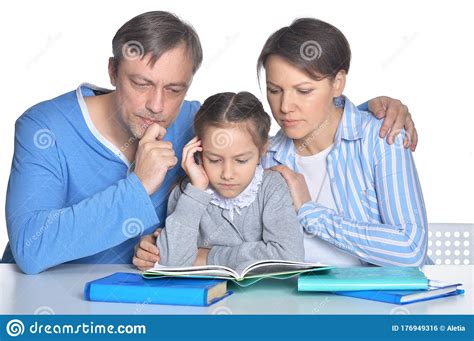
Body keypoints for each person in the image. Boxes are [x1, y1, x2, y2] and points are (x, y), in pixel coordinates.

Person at [2, 11, 417, 274]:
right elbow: (31, 250)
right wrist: (137, 186)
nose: (156, 106)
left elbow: (253, 132)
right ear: (112, 70)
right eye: (141, 83)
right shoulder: (46, 128)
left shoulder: (193, 122)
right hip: (52, 305)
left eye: (175, 88)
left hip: (164, 297)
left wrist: (365, 108)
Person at [259, 18, 428, 266]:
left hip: (375, 303)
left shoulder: (382, 137)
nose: (285, 107)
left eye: (304, 91)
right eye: (275, 90)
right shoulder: (264, 155)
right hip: (290, 300)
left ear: (337, 83)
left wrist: (309, 211)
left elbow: (410, 249)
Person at [155, 92, 304, 272]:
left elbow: (289, 256)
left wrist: (209, 256)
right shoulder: (188, 193)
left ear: (262, 151)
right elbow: (170, 262)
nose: (227, 174)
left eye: (241, 161)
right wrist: (196, 191)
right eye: (214, 160)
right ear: (198, 151)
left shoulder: (272, 188)